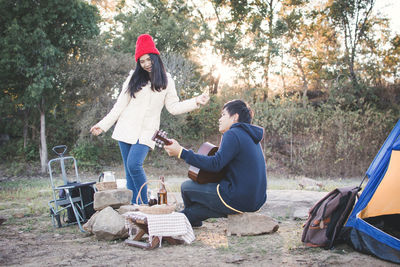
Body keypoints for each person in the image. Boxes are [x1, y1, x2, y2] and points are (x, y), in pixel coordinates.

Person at [90, 34, 209, 204]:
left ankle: (145, 205)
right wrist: (103, 125)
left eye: (148, 59)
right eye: (141, 61)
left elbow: (173, 107)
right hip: (126, 129)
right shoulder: (133, 78)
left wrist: (196, 101)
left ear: (155, 57)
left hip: (147, 133)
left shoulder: (167, 81)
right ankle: (134, 209)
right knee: (129, 172)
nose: (145, 64)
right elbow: (120, 105)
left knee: (134, 165)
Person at [164, 99, 267, 227]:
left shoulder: (233, 133)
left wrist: (181, 152)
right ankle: (190, 217)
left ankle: (188, 219)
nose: (220, 119)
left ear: (235, 117)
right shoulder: (251, 136)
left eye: (223, 115)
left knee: (186, 187)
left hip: (237, 198)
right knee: (192, 212)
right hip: (255, 201)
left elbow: (215, 163)